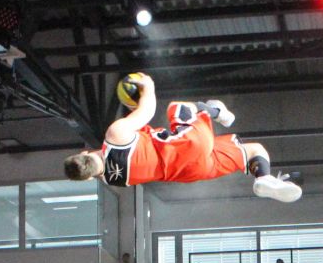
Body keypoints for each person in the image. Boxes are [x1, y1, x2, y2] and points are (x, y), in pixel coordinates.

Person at [64, 72, 301, 202]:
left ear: (88, 177)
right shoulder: (115, 135)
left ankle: (263, 178)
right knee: (178, 107)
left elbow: (130, 152)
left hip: (189, 171)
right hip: (185, 146)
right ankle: (217, 111)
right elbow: (147, 111)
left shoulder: (112, 181)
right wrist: (148, 87)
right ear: (84, 152)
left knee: (255, 151)